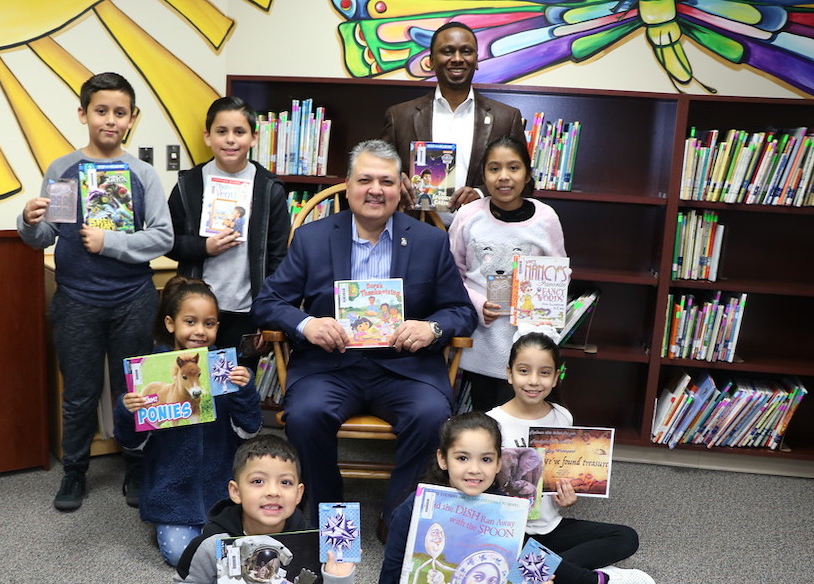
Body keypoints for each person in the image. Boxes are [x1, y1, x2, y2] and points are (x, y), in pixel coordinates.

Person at [251, 139, 478, 523]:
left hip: (407, 368)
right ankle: (327, 515)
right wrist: (307, 324)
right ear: (349, 184)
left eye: (387, 182)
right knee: (305, 415)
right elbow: (267, 303)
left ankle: (399, 519)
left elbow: (460, 311)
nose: (376, 190)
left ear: (402, 187)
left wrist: (431, 328)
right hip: (329, 365)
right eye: (365, 179)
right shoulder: (313, 238)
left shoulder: (430, 241)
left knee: (431, 415)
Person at [18, 72, 173, 511]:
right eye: (101, 111)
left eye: (119, 113)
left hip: (132, 299)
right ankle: (75, 471)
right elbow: (44, 236)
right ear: (83, 114)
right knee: (80, 392)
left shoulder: (142, 174)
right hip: (77, 301)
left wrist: (112, 243)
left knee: (136, 388)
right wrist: (29, 220)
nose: (110, 120)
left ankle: (138, 466)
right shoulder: (63, 170)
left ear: (132, 119)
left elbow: (162, 237)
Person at [368, 412, 558, 584]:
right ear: (443, 459)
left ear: (499, 463)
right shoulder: (414, 507)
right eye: (462, 458)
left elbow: (523, 574)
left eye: (486, 459)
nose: (475, 469)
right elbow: (392, 581)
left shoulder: (508, 506)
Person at [488, 333, 658, 584]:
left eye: (544, 373)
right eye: (523, 371)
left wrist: (566, 498)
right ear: (509, 374)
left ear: (556, 378)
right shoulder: (491, 423)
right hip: (510, 531)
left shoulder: (561, 416)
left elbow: (561, 475)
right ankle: (600, 580)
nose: (533, 380)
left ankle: (531, 574)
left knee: (627, 538)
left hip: (550, 526)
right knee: (503, 553)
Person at [112, 276, 262, 566]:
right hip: (172, 495)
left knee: (236, 549)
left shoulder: (225, 372)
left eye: (209, 323)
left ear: (218, 326)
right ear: (171, 324)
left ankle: (214, 539)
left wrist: (245, 389)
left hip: (222, 491)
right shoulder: (151, 372)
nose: (200, 331)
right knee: (181, 553)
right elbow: (132, 442)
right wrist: (127, 409)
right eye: (190, 322)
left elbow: (249, 430)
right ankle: (191, 538)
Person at [174, 435, 357, 584]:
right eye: (258, 481)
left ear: (299, 494)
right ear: (235, 491)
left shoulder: (314, 542)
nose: (273, 491)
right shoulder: (213, 541)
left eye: (286, 483)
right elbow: (186, 583)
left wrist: (338, 579)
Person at [166, 96, 291, 368]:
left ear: (254, 137)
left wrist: (267, 313)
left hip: (246, 309)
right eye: (222, 132)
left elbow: (278, 258)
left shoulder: (269, 189)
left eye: (239, 132)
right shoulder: (189, 184)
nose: (230, 140)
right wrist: (204, 247)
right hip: (194, 312)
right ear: (208, 137)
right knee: (192, 389)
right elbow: (167, 241)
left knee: (236, 387)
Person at [449, 136, 567, 412]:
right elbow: (452, 272)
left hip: (529, 334)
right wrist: (477, 304)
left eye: (513, 168)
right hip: (481, 332)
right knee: (486, 410)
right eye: (494, 168)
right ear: (483, 175)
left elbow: (559, 273)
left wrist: (540, 308)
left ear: (527, 174)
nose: (504, 177)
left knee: (525, 410)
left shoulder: (546, 217)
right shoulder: (468, 215)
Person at [381, 21, 525, 214]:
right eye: (447, 51)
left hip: (482, 232)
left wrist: (480, 194)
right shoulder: (400, 116)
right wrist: (398, 180)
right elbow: (378, 172)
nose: (457, 58)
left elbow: (526, 182)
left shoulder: (506, 118)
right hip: (419, 230)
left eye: (466, 51)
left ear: (476, 60)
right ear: (431, 60)